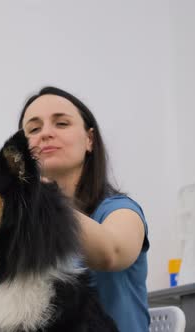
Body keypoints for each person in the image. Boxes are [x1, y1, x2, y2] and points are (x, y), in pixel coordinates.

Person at [18, 86, 150, 332]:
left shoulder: (119, 210)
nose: (45, 133)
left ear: (89, 139)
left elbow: (112, 252)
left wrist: (48, 201)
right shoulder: (26, 225)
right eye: (34, 129)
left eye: (61, 124)